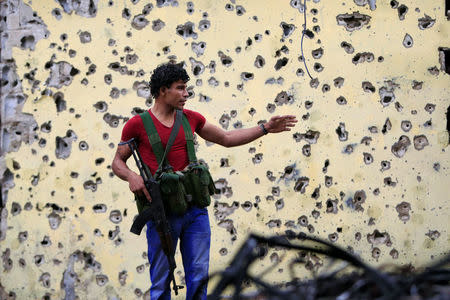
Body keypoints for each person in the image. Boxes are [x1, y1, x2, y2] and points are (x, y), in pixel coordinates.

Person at [111, 62, 297, 300]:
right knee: (160, 281)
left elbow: (227, 138)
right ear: (163, 90)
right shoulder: (137, 124)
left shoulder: (191, 118)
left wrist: (265, 128)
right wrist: (131, 176)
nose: (186, 94)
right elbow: (117, 162)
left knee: (199, 277)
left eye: (186, 88)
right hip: (162, 212)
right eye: (180, 88)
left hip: (196, 211)